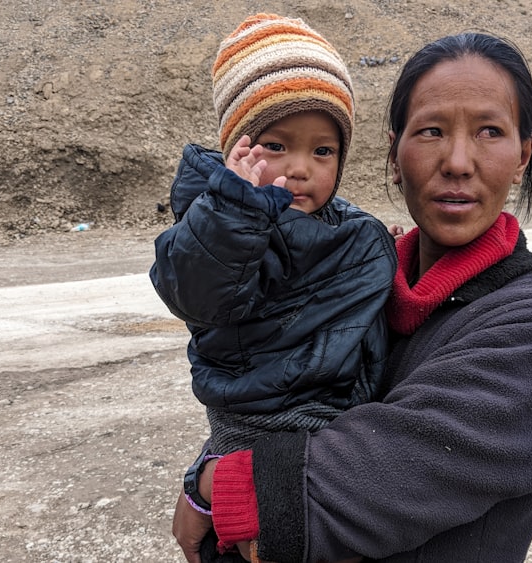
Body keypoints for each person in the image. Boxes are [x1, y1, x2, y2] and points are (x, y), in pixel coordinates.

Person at [172, 31, 532, 563]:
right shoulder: (350, 282)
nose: (458, 161)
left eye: (490, 131)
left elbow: (369, 482)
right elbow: (262, 379)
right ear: (395, 154)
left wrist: (215, 483)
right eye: (431, 131)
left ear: (523, 156)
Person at [150, 13, 397, 559]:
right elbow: (197, 294)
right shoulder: (218, 222)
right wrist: (234, 209)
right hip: (257, 424)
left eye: (323, 150)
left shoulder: (345, 226)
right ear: (237, 150)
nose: (301, 168)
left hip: (333, 421)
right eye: (276, 146)